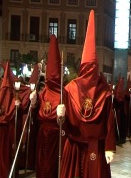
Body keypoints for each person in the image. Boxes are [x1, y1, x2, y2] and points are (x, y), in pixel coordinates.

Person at [58, 10, 116, 178]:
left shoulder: (104, 92)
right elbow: (63, 120)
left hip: (96, 147)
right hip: (74, 146)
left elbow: (109, 122)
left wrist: (109, 147)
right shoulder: (70, 89)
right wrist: (59, 115)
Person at [34, 35, 67, 177]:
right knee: (42, 165)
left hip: (57, 135)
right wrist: (34, 102)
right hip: (43, 133)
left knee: (53, 166)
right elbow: (35, 114)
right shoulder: (43, 92)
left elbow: (71, 117)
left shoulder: (64, 93)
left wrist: (63, 115)